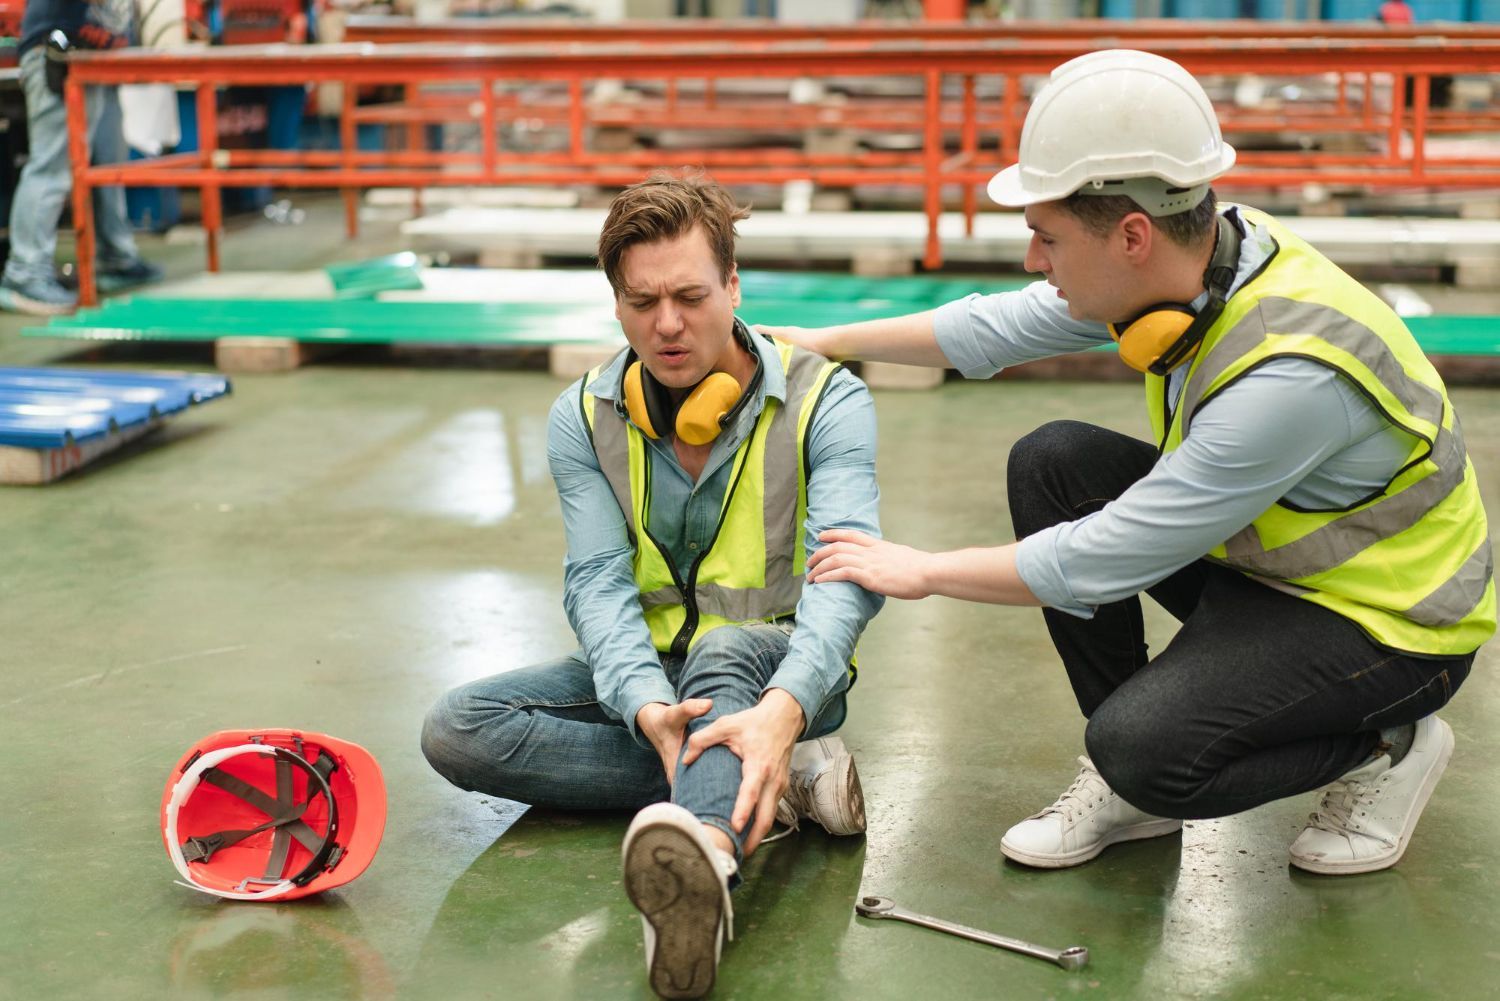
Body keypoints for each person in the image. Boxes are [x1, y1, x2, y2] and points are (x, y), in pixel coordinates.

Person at [768, 50, 1493, 877]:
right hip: (1280, 573)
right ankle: (1134, 787)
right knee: (1053, 461)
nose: (1034, 259)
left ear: (1132, 235)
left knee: (1145, 750)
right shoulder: (1198, 261)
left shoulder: (1289, 375)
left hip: (1391, 626)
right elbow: (996, 328)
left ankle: (1389, 742)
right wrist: (821, 343)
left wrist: (922, 569)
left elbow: (1105, 555)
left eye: (1046, 238)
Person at [421, 172, 882, 999]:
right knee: (457, 729)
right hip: (657, 674)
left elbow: (845, 581)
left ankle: (705, 856)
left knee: (727, 649)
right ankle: (769, 782)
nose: (667, 325)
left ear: (733, 285)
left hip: (778, 674)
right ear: (617, 303)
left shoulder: (827, 400)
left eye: (690, 296)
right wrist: (642, 706)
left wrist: (786, 708)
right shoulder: (585, 415)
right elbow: (597, 584)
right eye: (642, 302)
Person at [2, 0, 162, 316]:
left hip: (100, 58)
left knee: (109, 167)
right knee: (53, 167)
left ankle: (116, 260)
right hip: (59, 52)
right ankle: (24, 274)